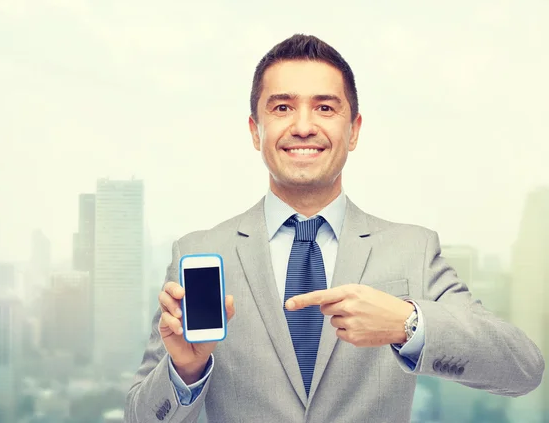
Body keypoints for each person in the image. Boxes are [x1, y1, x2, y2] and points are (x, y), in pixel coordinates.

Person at [124, 34, 545, 423]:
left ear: (354, 130)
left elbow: (523, 370)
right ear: (256, 131)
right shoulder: (198, 252)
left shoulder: (411, 250)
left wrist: (408, 324)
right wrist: (186, 368)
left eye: (325, 108)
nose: (303, 126)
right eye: (282, 107)